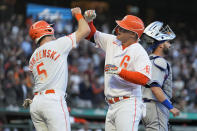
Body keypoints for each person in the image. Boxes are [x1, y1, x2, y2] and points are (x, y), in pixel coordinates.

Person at [84, 10, 152, 131]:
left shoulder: (139, 51)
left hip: (128, 103)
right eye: (119, 27)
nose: (118, 30)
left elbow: (144, 78)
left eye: (123, 28)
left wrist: (119, 71)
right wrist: (89, 22)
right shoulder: (113, 41)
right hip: (111, 105)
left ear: (133, 34)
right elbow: (90, 35)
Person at [24, 7, 90, 131]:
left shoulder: (33, 57)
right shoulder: (57, 44)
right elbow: (85, 30)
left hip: (36, 102)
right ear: (47, 30)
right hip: (52, 100)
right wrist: (78, 15)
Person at [141, 21, 180, 131]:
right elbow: (155, 87)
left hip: (147, 105)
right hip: (155, 106)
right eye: (168, 42)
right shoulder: (159, 62)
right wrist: (171, 107)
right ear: (161, 44)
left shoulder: (147, 60)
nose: (170, 45)